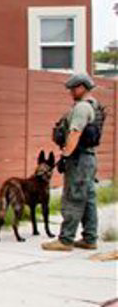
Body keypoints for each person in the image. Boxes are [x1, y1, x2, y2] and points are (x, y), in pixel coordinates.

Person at [43, 73, 103, 252]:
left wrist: (65, 156)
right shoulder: (94, 104)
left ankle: (65, 240)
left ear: (82, 87)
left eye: (73, 88)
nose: (71, 92)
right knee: (88, 199)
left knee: (73, 197)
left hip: (79, 159)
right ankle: (89, 238)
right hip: (88, 159)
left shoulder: (82, 108)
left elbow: (75, 133)